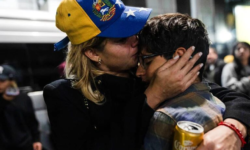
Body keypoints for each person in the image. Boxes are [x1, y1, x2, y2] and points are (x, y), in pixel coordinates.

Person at [43, 0, 250, 150]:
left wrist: (233, 128)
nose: (135, 40)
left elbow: (231, 97)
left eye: (133, 30)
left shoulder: (145, 70)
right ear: (93, 52)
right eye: (121, 38)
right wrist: (153, 95)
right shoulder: (64, 95)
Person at [136, 13, 228, 150]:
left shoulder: (165, 117)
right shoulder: (220, 103)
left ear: (179, 56)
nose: (139, 72)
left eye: (146, 62)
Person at [0, 65, 42, 150]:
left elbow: (31, 121)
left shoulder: (24, 98)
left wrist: (36, 140)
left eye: (2, 81)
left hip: (25, 145)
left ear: (12, 81)